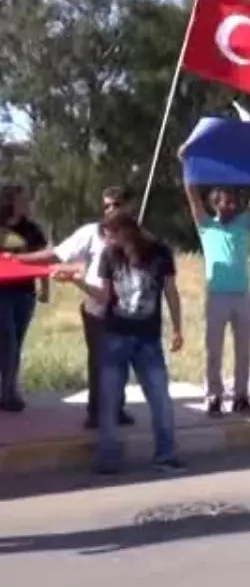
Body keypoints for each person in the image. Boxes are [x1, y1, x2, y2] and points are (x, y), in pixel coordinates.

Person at [54, 211, 184, 474]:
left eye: (111, 235)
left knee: (159, 397)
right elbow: (103, 295)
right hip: (116, 336)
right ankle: (108, 457)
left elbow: (171, 291)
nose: (108, 241)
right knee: (109, 399)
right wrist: (77, 281)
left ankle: (165, 454)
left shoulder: (160, 253)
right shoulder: (110, 255)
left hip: (148, 338)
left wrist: (177, 328)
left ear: (126, 232)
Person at [11, 186, 134, 427]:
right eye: (107, 205)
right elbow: (56, 255)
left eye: (116, 204)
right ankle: (96, 411)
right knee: (99, 361)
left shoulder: (136, 235)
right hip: (96, 305)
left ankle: (117, 407)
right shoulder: (90, 233)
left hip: (127, 308)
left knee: (121, 360)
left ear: (128, 206)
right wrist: (18, 259)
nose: (111, 209)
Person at [183, 179, 250, 417]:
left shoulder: (243, 223)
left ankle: (241, 397)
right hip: (217, 296)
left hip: (242, 296)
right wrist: (187, 167)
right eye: (225, 202)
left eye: (233, 202)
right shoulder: (206, 226)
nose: (231, 206)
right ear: (215, 205)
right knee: (214, 350)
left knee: (243, 350)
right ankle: (213, 397)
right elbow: (192, 196)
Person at [0, 182, 48, 412]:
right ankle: (6, 393)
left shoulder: (32, 229)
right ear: (10, 201)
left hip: (24, 293)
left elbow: (44, 258)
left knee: (16, 342)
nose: (28, 203)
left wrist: (45, 287)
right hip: (1, 292)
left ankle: (10, 391)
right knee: (7, 339)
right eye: (23, 199)